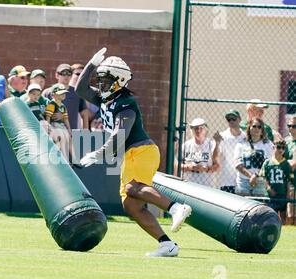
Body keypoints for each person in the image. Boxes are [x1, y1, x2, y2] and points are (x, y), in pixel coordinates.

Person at [76, 48, 192, 257]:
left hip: (142, 151)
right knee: (131, 205)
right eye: (99, 80)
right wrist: (91, 65)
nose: (100, 84)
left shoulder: (126, 102)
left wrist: (97, 154)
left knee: (132, 187)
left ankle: (176, 208)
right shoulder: (106, 99)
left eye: (105, 80)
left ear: (120, 80)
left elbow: (120, 136)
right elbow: (80, 90)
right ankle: (167, 244)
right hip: (131, 154)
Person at [234, 118, 274, 196]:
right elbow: (237, 164)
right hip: (243, 181)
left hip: (260, 180)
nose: (256, 129)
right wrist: (250, 176)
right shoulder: (241, 144)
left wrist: (256, 176)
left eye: (259, 127)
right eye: (254, 126)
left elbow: (269, 164)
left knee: (258, 206)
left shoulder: (268, 145)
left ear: (262, 130)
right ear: (249, 128)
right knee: (242, 206)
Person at [43, 63, 88, 130]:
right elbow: (42, 111)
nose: (66, 76)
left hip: (72, 133)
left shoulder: (77, 92)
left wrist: (85, 129)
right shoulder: (48, 92)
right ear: (57, 75)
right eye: (63, 73)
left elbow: (84, 112)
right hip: (53, 133)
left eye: (69, 74)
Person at [181, 118, 221, 187]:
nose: (198, 130)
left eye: (201, 128)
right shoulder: (186, 145)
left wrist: (206, 169)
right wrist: (190, 167)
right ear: (192, 130)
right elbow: (178, 165)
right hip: (188, 185)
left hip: (206, 185)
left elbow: (217, 166)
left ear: (205, 130)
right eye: (196, 128)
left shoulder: (211, 144)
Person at [260, 140, 292, 224]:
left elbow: (288, 180)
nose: (280, 150)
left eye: (283, 148)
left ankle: (283, 231)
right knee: (271, 215)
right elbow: (264, 177)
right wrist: (268, 188)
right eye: (278, 147)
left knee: (283, 215)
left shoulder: (286, 164)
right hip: (271, 195)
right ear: (273, 148)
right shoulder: (267, 162)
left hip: (282, 193)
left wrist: (288, 194)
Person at [216, 109, 246, 194]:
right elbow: (216, 156)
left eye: (234, 118)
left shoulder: (245, 137)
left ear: (239, 119)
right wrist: (217, 144)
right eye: (229, 119)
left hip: (242, 180)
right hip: (227, 180)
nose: (231, 121)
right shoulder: (222, 136)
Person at [44, 83, 74, 162]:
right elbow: (48, 117)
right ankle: (65, 161)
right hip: (55, 126)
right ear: (53, 95)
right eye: (60, 93)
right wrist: (48, 128)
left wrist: (69, 129)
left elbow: (66, 119)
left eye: (64, 93)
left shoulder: (63, 106)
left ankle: (74, 158)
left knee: (68, 139)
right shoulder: (51, 104)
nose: (63, 95)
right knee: (62, 140)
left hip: (62, 126)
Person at [284, 116, 296, 225]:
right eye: (289, 126)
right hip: (289, 181)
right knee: (289, 213)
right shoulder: (286, 142)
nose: (291, 129)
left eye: (294, 126)